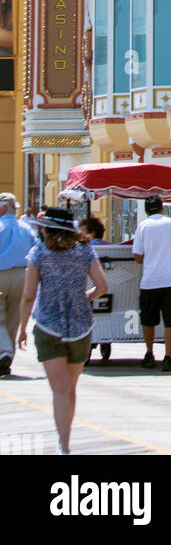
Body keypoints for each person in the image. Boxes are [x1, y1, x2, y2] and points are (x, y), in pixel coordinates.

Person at [17, 207, 108, 454]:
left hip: (49, 325)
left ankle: (64, 446)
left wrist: (22, 328)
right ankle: (65, 442)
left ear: (47, 229)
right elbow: (102, 286)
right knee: (70, 388)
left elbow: (28, 296)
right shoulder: (85, 250)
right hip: (80, 325)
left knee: (59, 388)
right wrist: (84, 297)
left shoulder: (38, 253)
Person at [133, 196, 171, 370]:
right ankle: (168, 357)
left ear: (146, 211)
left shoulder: (143, 226)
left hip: (150, 280)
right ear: (162, 208)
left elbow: (138, 257)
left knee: (148, 319)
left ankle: (149, 353)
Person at [0, 192, 36, 375]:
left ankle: (4, 351)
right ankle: (8, 356)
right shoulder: (27, 229)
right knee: (14, 317)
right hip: (22, 276)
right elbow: (36, 252)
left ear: (4, 207)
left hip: (0, 276)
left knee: (0, 319)